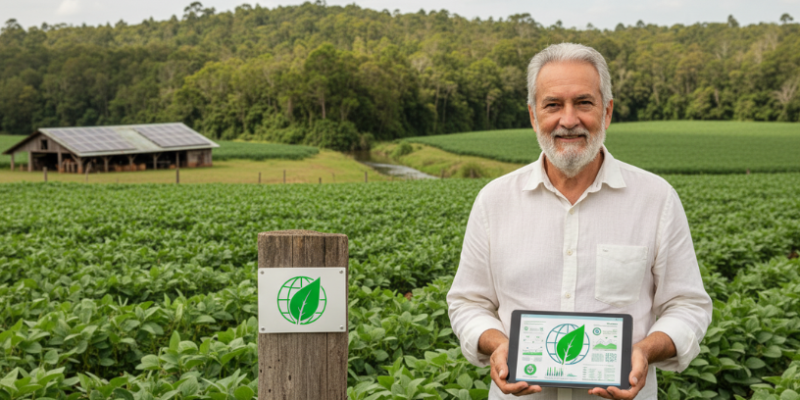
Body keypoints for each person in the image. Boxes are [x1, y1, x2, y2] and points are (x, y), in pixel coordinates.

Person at [446, 43, 712, 400]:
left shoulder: (656, 198)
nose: (568, 120)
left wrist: (645, 350)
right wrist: (497, 344)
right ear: (532, 115)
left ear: (607, 112)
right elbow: (468, 302)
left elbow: (688, 305)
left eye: (584, 103)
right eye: (553, 104)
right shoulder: (495, 200)